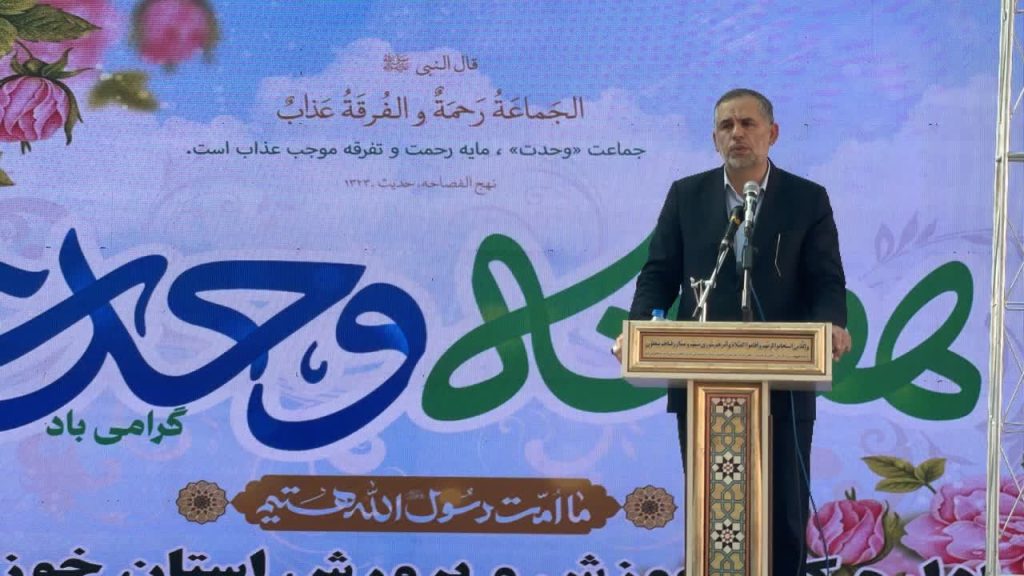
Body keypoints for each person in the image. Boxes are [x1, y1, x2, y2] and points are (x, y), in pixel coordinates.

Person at [612, 88, 852, 575]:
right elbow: (659, 272)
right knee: (713, 511)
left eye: (747, 124)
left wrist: (832, 324)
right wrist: (637, 330)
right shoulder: (687, 196)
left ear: (772, 133)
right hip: (703, 379)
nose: (737, 134)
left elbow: (826, 279)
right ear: (715, 138)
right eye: (727, 126)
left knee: (784, 514)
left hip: (785, 382)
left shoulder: (807, 199)